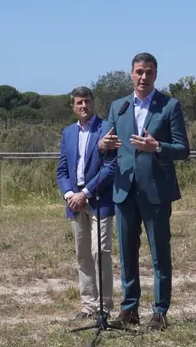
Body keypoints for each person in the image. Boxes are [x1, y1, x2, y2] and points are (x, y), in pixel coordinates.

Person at [97, 52, 190, 332]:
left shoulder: (170, 106)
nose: (143, 77)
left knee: (160, 253)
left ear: (156, 74)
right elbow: (110, 150)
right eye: (139, 71)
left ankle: (160, 312)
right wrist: (103, 146)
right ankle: (129, 309)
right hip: (124, 190)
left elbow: (183, 149)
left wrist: (157, 147)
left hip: (156, 191)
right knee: (127, 252)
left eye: (148, 72)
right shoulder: (119, 106)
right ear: (131, 74)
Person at [56, 86, 117, 321]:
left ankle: (105, 306)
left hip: (99, 199)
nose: (84, 106)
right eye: (79, 102)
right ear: (73, 106)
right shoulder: (68, 133)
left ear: (93, 103)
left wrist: (87, 192)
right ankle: (88, 305)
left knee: (100, 252)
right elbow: (62, 170)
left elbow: (111, 166)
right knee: (82, 254)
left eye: (88, 102)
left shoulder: (106, 129)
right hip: (75, 202)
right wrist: (70, 194)